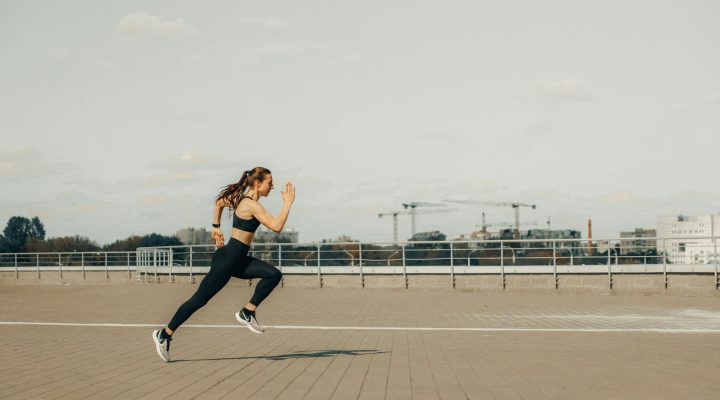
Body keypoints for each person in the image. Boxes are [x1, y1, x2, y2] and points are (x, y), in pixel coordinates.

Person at [152, 167, 295, 362]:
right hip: (227, 261)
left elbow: (219, 202)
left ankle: (247, 312)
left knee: (273, 274)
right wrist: (287, 204)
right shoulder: (250, 205)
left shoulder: (242, 200)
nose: (272, 186)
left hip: (237, 259)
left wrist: (216, 227)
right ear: (257, 183)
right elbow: (277, 226)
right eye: (269, 183)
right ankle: (164, 334)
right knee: (199, 301)